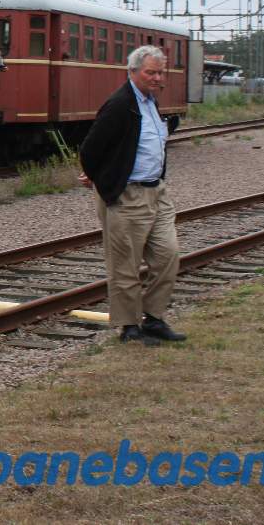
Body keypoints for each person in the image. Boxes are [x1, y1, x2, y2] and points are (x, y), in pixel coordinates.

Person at [77, 45, 186, 347]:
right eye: (151, 72)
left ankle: (153, 318)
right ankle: (129, 327)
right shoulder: (120, 104)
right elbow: (90, 150)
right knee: (125, 265)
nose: (157, 77)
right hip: (128, 196)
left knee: (168, 255)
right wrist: (104, 181)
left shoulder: (151, 102)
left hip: (157, 192)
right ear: (134, 72)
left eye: (160, 72)